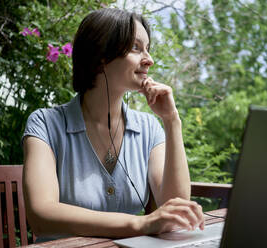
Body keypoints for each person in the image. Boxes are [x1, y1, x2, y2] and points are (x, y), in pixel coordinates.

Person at [22, 8, 204, 242]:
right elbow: (41, 214)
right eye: (136, 48)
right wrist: (141, 222)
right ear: (101, 56)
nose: (149, 60)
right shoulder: (45, 124)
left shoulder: (149, 128)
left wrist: (171, 121)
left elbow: (175, 210)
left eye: (147, 48)